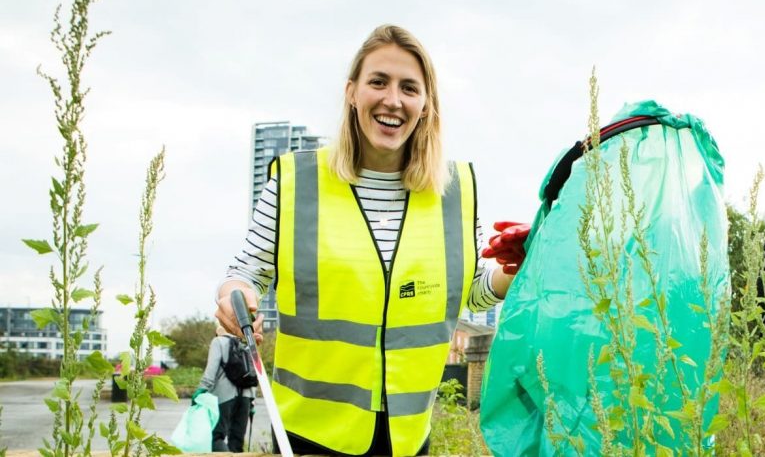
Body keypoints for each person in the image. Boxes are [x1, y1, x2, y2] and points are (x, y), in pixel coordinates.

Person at [213, 24, 525, 456]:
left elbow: (470, 290)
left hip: (409, 437)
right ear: (352, 92)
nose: (392, 99)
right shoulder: (295, 182)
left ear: (425, 104)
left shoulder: (455, 192)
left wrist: (513, 272)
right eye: (378, 81)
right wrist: (236, 296)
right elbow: (243, 274)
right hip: (309, 435)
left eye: (409, 88)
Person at [195, 325, 255, 453]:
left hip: (224, 396)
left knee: (216, 437)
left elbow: (211, 370)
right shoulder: (245, 343)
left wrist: (201, 390)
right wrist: (252, 401)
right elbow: (253, 372)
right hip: (245, 397)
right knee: (237, 440)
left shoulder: (218, 342)